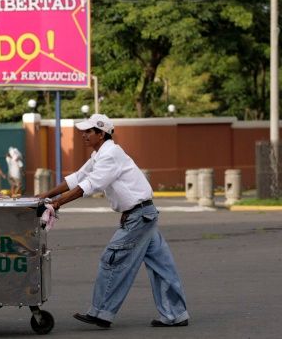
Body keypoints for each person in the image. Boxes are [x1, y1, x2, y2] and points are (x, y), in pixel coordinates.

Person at [37, 114, 189, 329]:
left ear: (102, 133)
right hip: (144, 214)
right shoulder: (100, 154)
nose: (84, 135)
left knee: (112, 260)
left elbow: (90, 185)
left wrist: (57, 204)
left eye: (89, 131)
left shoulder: (110, 155)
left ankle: (102, 313)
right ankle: (176, 314)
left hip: (139, 216)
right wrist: (44, 196)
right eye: (84, 131)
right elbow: (77, 178)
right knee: (161, 266)